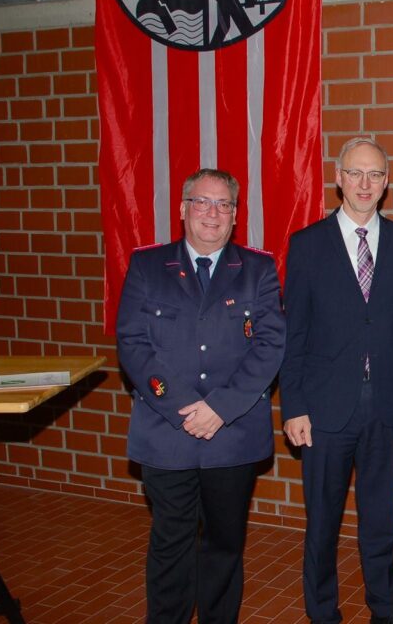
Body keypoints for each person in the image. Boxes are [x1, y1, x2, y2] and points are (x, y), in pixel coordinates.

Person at [117, 167, 285, 623]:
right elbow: (132, 344)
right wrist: (181, 408)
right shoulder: (148, 266)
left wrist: (220, 409)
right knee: (171, 544)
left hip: (232, 437)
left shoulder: (258, 270)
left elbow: (270, 346)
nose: (212, 213)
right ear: (182, 209)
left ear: (235, 216)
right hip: (166, 433)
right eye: (202, 202)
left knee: (224, 545)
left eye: (224, 205)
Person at [279, 137, 393, 624]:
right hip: (324, 410)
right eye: (356, 174)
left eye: (376, 175)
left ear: (386, 183)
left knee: (379, 523)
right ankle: (323, 613)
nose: (366, 184)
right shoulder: (306, 245)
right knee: (322, 523)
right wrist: (293, 406)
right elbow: (293, 332)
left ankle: (386, 612)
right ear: (338, 178)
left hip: (385, 406)